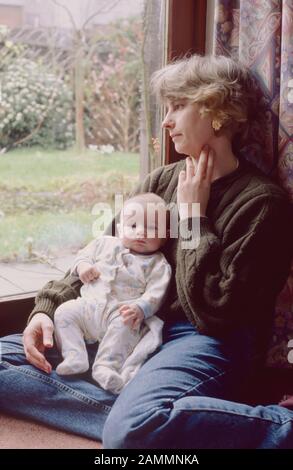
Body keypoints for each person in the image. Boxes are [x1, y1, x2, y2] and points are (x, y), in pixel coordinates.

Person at [1, 54, 293, 448]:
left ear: (218, 111)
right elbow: (105, 251)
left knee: (129, 435)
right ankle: (157, 408)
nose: (166, 121)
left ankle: (277, 425)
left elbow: (217, 313)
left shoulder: (263, 204)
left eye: (177, 107)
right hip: (123, 319)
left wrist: (192, 216)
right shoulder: (160, 179)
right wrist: (47, 309)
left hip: (200, 337)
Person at [54, 192, 171, 394]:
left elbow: (157, 291)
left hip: (121, 311)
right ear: (119, 229)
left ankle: (106, 366)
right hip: (89, 306)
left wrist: (141, 308)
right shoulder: (104, 243)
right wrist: (83, 267)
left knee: (124, 326)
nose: (141, 232)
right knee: (64, 312)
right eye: (133, 226)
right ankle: (75, 356)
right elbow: (82, 256)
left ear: (165, 237)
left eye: (152, 228)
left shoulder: (158, 263)